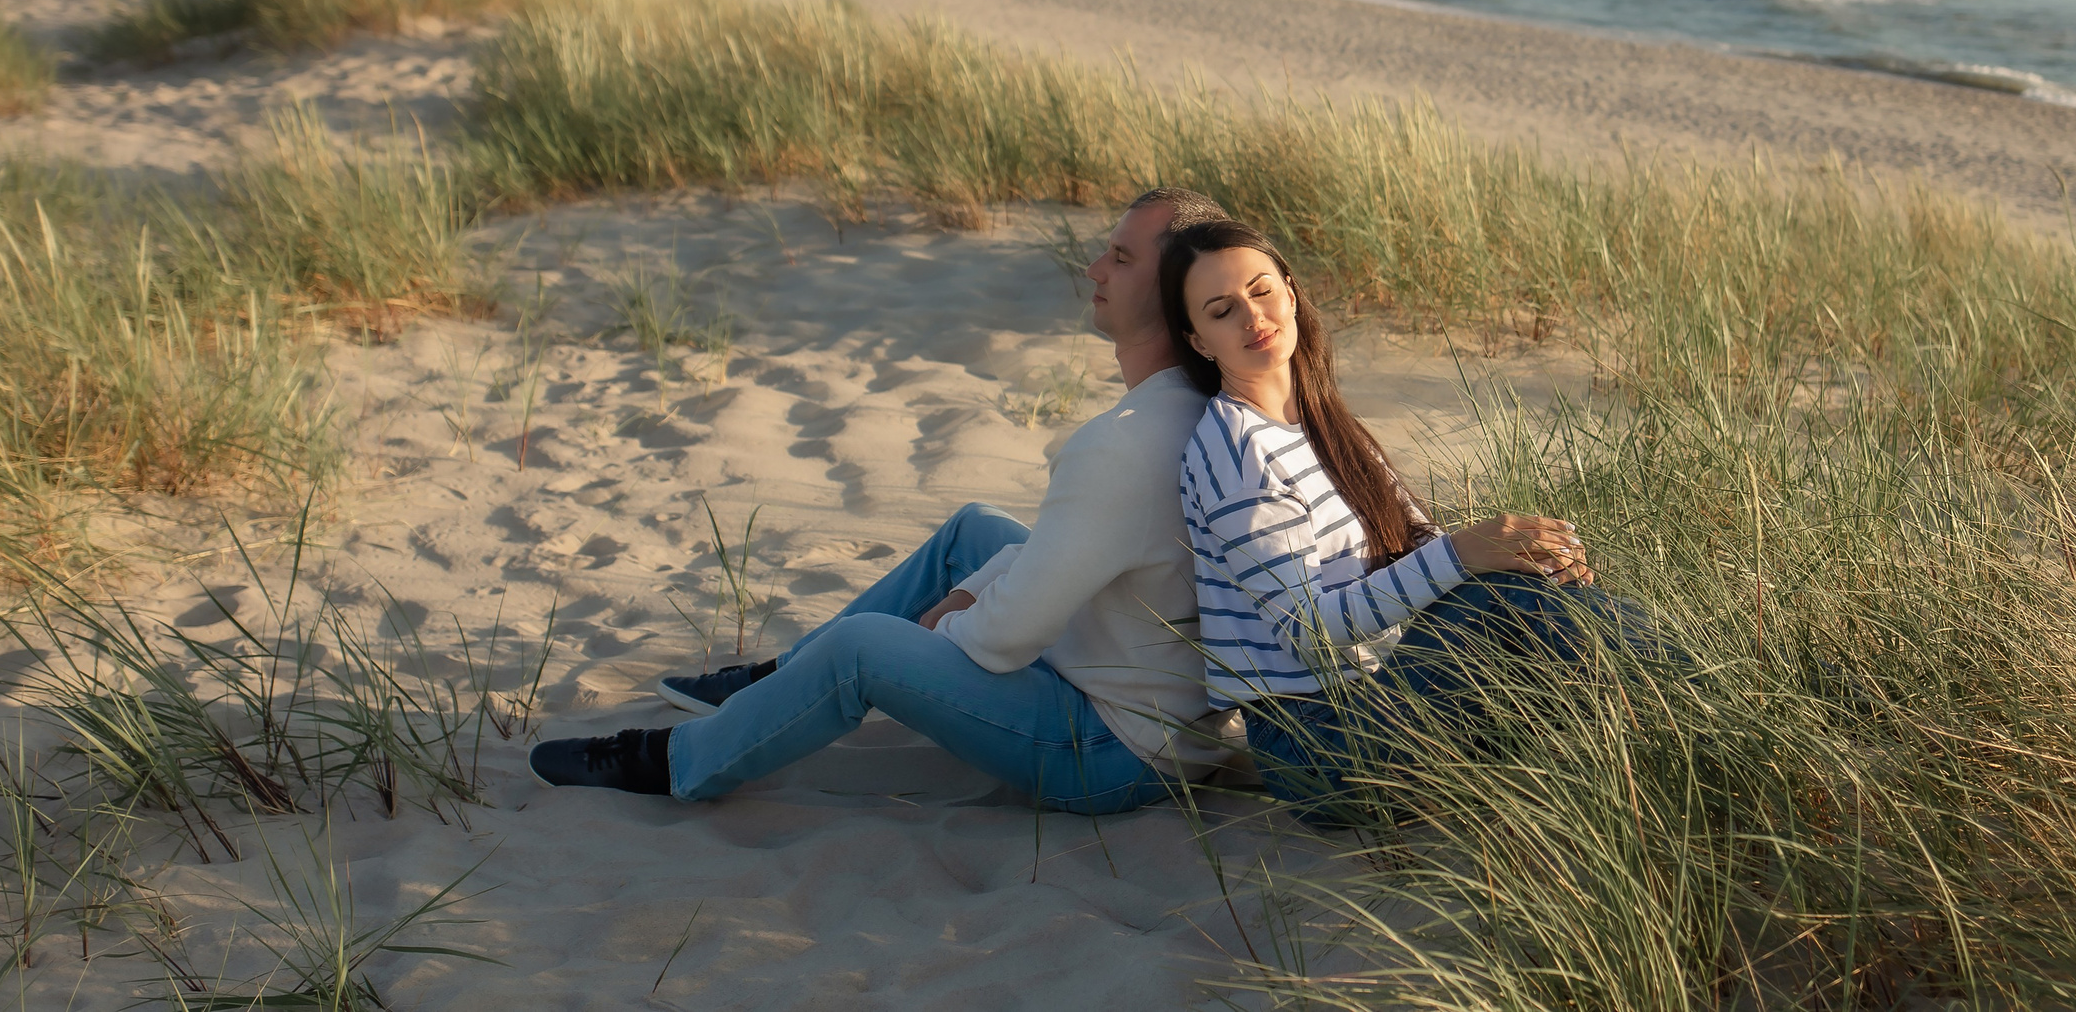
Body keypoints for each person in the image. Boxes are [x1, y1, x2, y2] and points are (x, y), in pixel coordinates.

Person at [529, 187, 1245, 813]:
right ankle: (777, 680)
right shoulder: (1186, 406)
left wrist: (940, 624)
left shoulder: (1123, 444)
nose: (1094, 268)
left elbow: (1006, 636)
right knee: (977, 533)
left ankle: (680, 761)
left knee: (862, 648)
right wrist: (969, 595)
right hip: (1155, 704)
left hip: (1111, 751)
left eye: (1120, 258)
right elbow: (1067, 551)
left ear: (1177, 290)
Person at [1162, 217, 1670, 818]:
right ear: (1198, 340)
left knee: (1532, 583)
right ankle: (1711, 703)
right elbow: (1308, 632)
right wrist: (1461, 554)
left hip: (1389, 690)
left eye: (1261, 289)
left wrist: (1529, 553)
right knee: (1506, 598)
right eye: (1221, 310)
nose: (1252, 316)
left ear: (1291, 293)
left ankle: (1681, 727)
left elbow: (1414, 546)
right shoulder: (1234, 452)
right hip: (1319, 745)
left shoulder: (1324, 422)